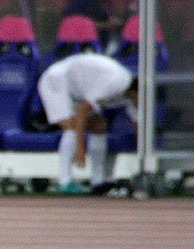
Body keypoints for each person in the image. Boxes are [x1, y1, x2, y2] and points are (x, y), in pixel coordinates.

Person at [36, 53, 138, 194]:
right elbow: (82, 111)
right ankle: (64, 182)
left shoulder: (131, 94)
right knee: (71, 126)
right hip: (56, 81)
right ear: (136, 93)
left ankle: (97, 181)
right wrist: (80, 148)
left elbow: (138, 125)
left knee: (99, 125)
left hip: (77, 91)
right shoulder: (115, 82)